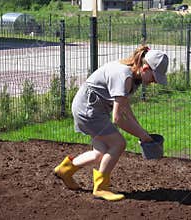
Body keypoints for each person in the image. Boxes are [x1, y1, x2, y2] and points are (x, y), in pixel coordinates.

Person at [53, 46, 169, 201]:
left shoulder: (133, 75)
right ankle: (101, 188)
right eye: (154, 77)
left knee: (100, 153)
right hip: (89, 110)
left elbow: (124, 107)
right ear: (146, 68)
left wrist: (142, 132)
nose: (154, 82)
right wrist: (142, 135)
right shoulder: (124, 76)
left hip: (90, 108)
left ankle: (65, 170)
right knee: (118, 144)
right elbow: (118, 118)